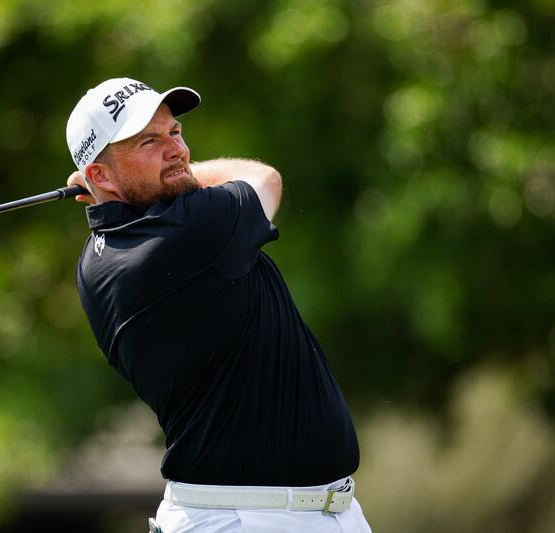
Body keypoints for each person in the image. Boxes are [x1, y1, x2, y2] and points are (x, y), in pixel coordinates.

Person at [64, 77, 371, 533]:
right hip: (248, 518)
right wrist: (170, 177)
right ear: (100, 176)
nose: (178, 151)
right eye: (149, 141)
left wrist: (135, 177)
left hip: (301, 511)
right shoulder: (179, 237)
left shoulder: (98, 259)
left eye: (175, 133)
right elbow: (263, 179)